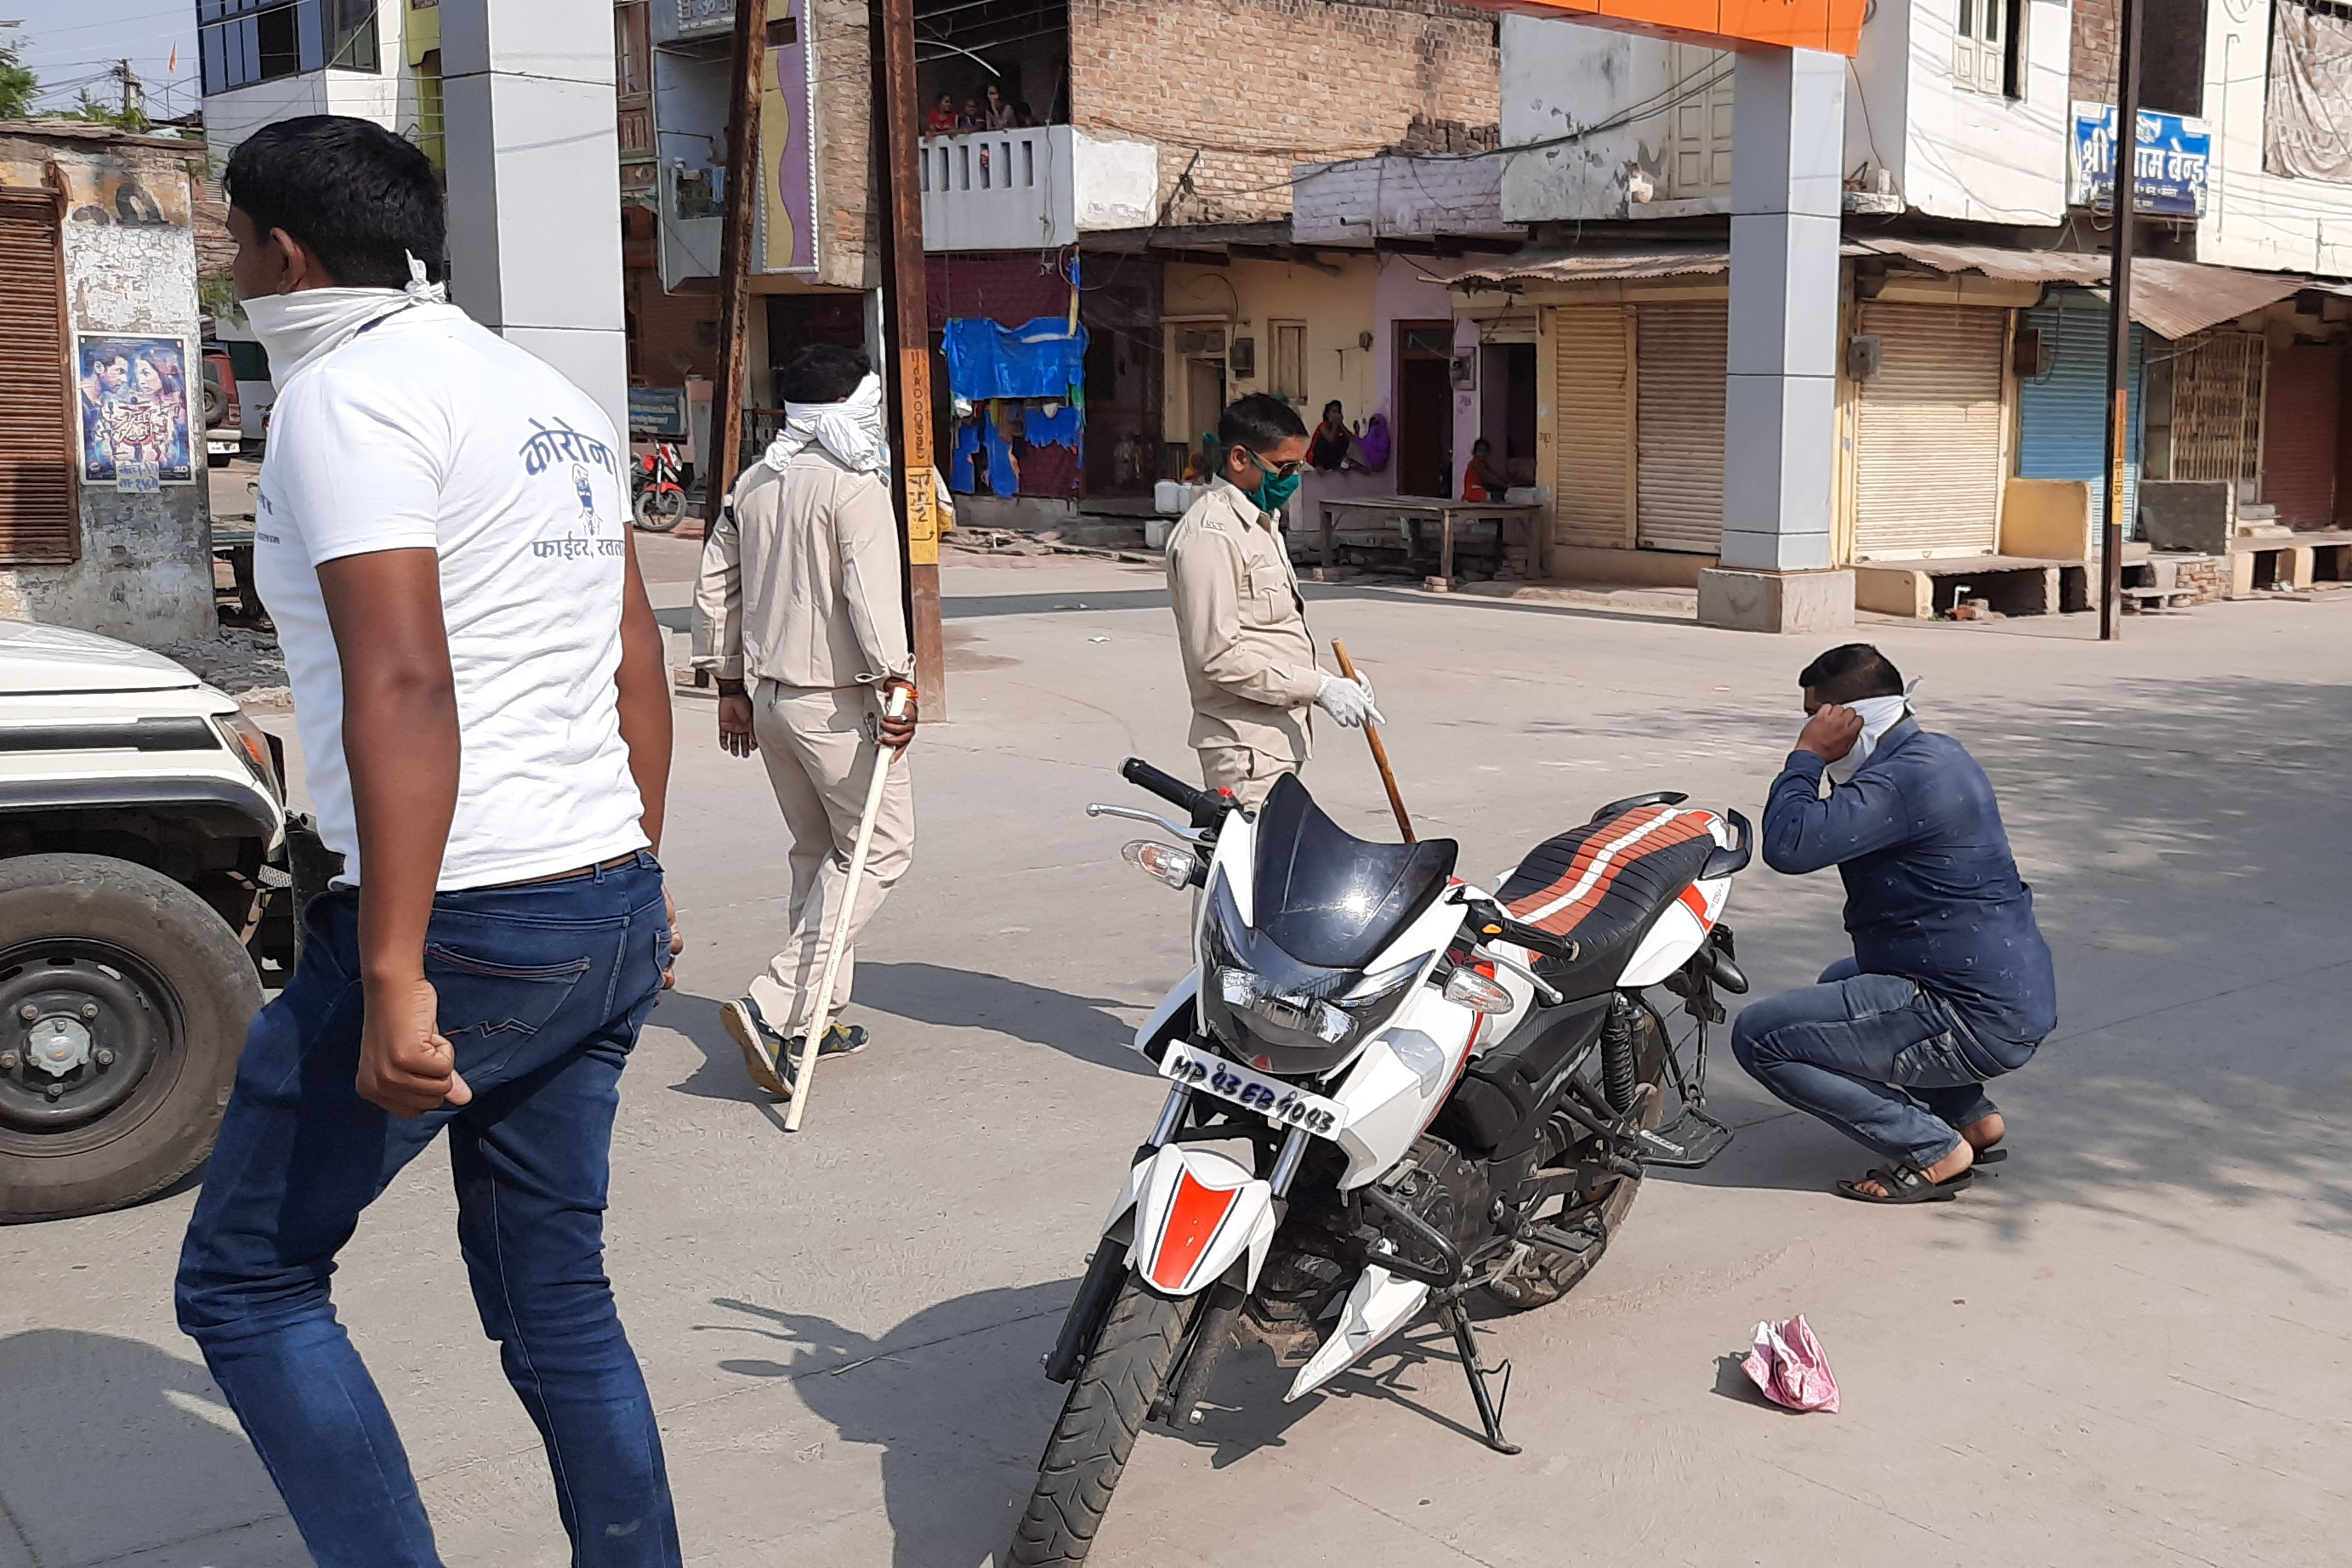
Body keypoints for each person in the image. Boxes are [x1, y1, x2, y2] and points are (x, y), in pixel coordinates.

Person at [173, 116, 684, 1565]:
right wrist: (639, 876)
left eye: (231, 243)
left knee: (250, 1281)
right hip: (599, 894)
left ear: (283, 249)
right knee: (555, 1289)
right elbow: (632, 663)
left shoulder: (349, 398)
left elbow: (406, 681)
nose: (231, 267)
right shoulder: (551, 398)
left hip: (459, 910)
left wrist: (391, 972)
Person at [1731, 644, 2057, 1205]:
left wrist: (1807, 758)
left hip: (1972, 1016)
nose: (1812, 729)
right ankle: (1973, 1119)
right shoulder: (1936, 754)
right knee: (1841, 978)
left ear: (1852, 721)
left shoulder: (1899, 783)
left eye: (1818, 717)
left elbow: (1789, 844)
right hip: (2006, 992)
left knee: (1760, 1036)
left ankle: (1933, 1150)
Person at [693, 344, 918, 1099]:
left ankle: (813, 1016)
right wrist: (900, 683)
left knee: (818, 852)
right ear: (850, 408)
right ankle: (775, 1001)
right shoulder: (853, 488)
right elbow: (872, 595)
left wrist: (727, 683)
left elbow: (715, 585)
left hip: (769, 700)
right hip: (839, 704)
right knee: (879, 850)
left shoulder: (754, 482)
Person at [1164, 393, 1382, 810]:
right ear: (1240, 459)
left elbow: (1268, 635)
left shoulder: (1262, 524)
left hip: (1275, 739)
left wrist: (1333, 683)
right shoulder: (1212, 535)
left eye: (1298, 466)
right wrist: (1318, 687)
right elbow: (1218, 656)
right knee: (1251, 868)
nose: (1293, 478)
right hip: (1243, 749)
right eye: (1284, 467)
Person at [1308, 400, 1353, 472]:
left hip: (1331, 459)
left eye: (1338, 412)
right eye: (1334, 412)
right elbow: (1331, 440)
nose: (1336, 415)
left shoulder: (1339, 428)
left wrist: (1340, 424)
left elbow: (1351, 439)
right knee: (1322, 439)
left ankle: (1336, 465)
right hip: (1317, 459)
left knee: (1344, 439)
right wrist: (1335, 425)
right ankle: (1319, 466)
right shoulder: (1323, 426)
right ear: (1328, 414)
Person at [1460, 436, 1506, 502]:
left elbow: (1495, 474)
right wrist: (1503, 484)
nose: (1483, 454)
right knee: (1497, 498)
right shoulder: (1474, 463)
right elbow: (1487, 477)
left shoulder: (1484, 464)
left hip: (1479, 489)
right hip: (1472, 492)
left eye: (1485, 451)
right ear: (1475, 452)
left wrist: (1506, 481)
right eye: (1480, 451)